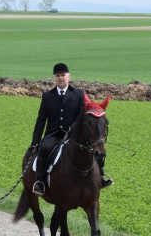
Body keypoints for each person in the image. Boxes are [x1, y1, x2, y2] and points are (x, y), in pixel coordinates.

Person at [29, 62, 112, 195]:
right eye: (57, 76)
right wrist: (35, 142)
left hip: (74, 135)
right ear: (54, 78)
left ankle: (100, 177)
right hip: (54, 134)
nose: (60, 78)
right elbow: (41, 121)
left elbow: (82, 116)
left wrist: (74, 129)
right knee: (44, 149)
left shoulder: (78, 94)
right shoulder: (47, 96)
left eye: (63, 75)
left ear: (69, 77)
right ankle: (40, 181)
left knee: (97, 150)